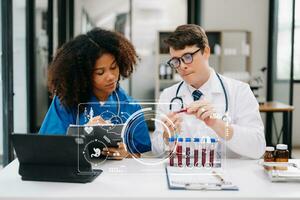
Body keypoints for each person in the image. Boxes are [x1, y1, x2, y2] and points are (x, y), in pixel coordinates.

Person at [151, 24, 265, 159]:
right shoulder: (168, 96)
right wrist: (166, 137)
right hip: (183, 175)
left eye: (187, 57)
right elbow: (156, 152)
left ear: (205, 52)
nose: (182, 66)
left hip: (229, 177)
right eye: (176, 61)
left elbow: (257, 147)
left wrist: (218, 125)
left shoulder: (239, 91)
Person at [40, 27, 151, 159]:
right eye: (100, 72)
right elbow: (49, 147)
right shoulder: (65, 103)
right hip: (76, 175)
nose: (110, 76)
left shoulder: (131, 107)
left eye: (113, 67)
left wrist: (126, 153)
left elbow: (138, 155)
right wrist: (83, 134)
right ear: (84, 75)